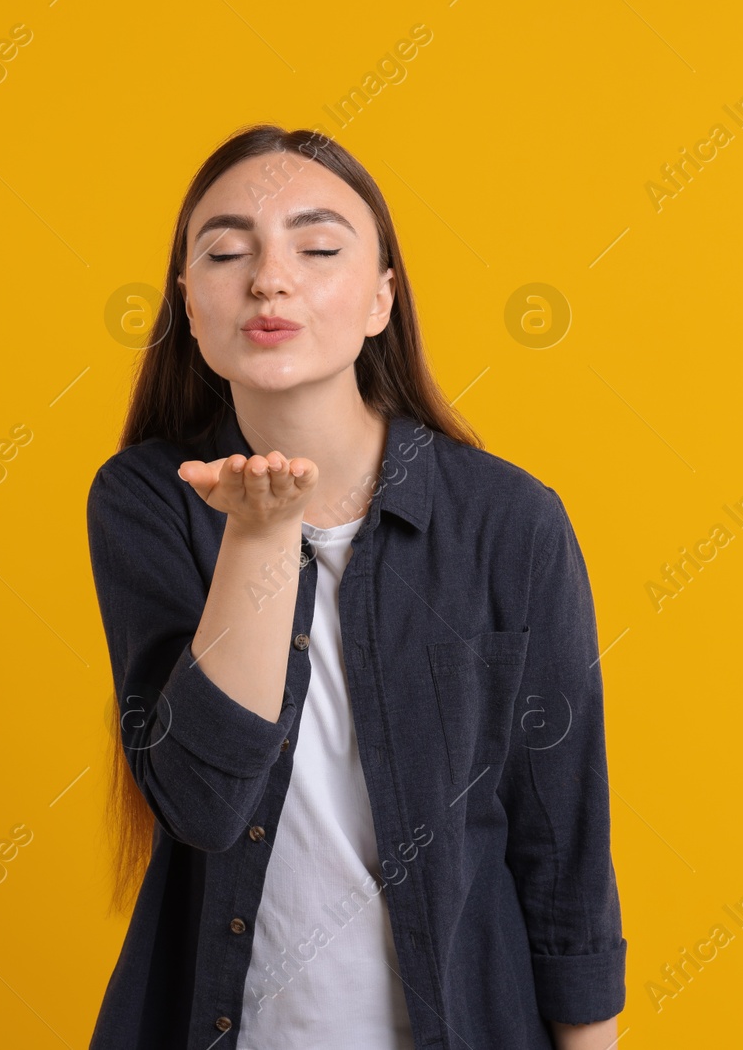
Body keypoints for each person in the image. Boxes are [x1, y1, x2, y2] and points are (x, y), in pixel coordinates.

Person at [85, 124, 625, 1049]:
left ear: (381, 299)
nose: (269, 278)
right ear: (187, 298)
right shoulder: (145, 500)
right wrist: (259, 534)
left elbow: (562, 848)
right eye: (225, 252)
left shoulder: (510, 523)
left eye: (318, 246)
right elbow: (202, 801)